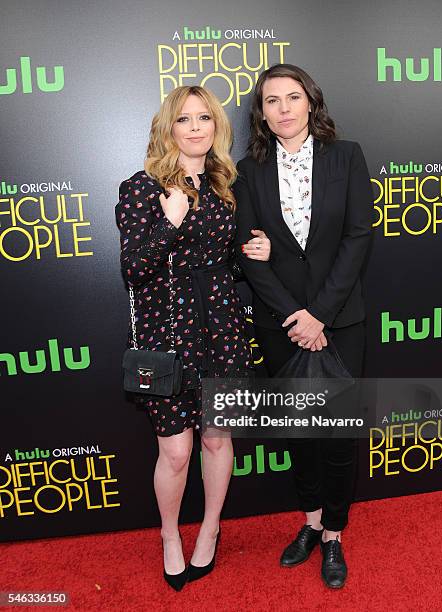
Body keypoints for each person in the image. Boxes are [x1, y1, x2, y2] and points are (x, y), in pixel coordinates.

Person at [115, 85, 271, 591]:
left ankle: (210, 527)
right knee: (176, 452)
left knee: (217, 437)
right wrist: (169, 220)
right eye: (185, 119)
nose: (197, 127)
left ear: (217, 128)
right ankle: (168, 534)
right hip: (167, 335)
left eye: (205, 118)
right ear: (169, 128)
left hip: (223, 328)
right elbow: (135, 269)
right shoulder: (142, 188)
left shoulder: (230, 186)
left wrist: (256, 252)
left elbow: (227, 264)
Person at [233, 64, 373, 589]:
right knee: (300, 433)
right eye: (273, 101)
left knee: (338, 436)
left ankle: (335, 533)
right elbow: (250, 254)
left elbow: (358, 238)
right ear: (261, 112)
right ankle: (310, 523)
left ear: (311, 103)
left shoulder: (347, 156)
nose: (284, 108)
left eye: (294, 97)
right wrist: (296, 317)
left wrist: (321, 315)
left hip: (340, 321)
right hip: (281, 324)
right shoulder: (248, 170)